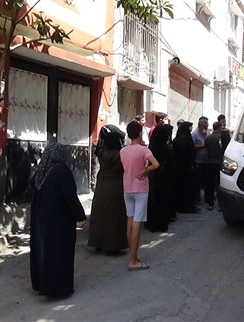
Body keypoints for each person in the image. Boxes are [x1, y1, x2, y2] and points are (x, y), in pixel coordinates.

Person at [30, 142, 86, 298]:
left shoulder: (41, 171)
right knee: (59, 254)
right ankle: (57, 289)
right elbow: (70, 196)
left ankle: (42, 284)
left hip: (40, 219)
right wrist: (80, 216)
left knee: (44, 253)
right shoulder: (61, 171)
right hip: (58, 221)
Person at [120, 120, 159, 271]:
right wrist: (147, 171)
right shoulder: (144, 150)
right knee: (137, 223)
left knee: (130, 220)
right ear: (140, 133)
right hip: (141, 188)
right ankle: (132, 260)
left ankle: (133, 256)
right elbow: (156, 164)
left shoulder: (123, 151)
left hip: (127, 187)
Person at [88, 125, 128, 255]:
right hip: (116, 186)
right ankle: (112, 246)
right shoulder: (121, 155)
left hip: (102, 186)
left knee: (100, 215)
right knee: (114, 217)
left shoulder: (101, 153)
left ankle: (97, 242)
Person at [146, 123, 176, 232]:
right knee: (162, 199)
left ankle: (151, 223)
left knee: (153, 200)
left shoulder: (151, 147)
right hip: (162, 175)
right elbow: (170, 161)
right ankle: (161, 224)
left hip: (152, 175)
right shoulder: (165, 147)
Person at [172, 119, 199, 213]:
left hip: (179, 168)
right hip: (187, 168)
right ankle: (188, 206)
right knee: (188, 188)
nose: (191, 129)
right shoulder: (186, 139)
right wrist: (191, 164)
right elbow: (188, 153)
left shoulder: (177, 139)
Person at [203, 121, 223, 210]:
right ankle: (220, 204)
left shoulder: (207, 138)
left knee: (210, 183)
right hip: (219, 162)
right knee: (219, 183)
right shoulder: (221, 137)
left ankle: (210, 203)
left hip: (209, 162)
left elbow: (206, 150)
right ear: (219, 128)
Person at [191, 116, 209, 206]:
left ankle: (206, 197)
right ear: (200, 126)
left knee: (206, 180)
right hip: (198, 161)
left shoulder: (207, 133)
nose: (206, 128)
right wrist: (203, 146)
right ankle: (197, 197)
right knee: (197, 181)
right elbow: (192, 146)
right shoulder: (194, 134)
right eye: (205, 127)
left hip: (206, 161)